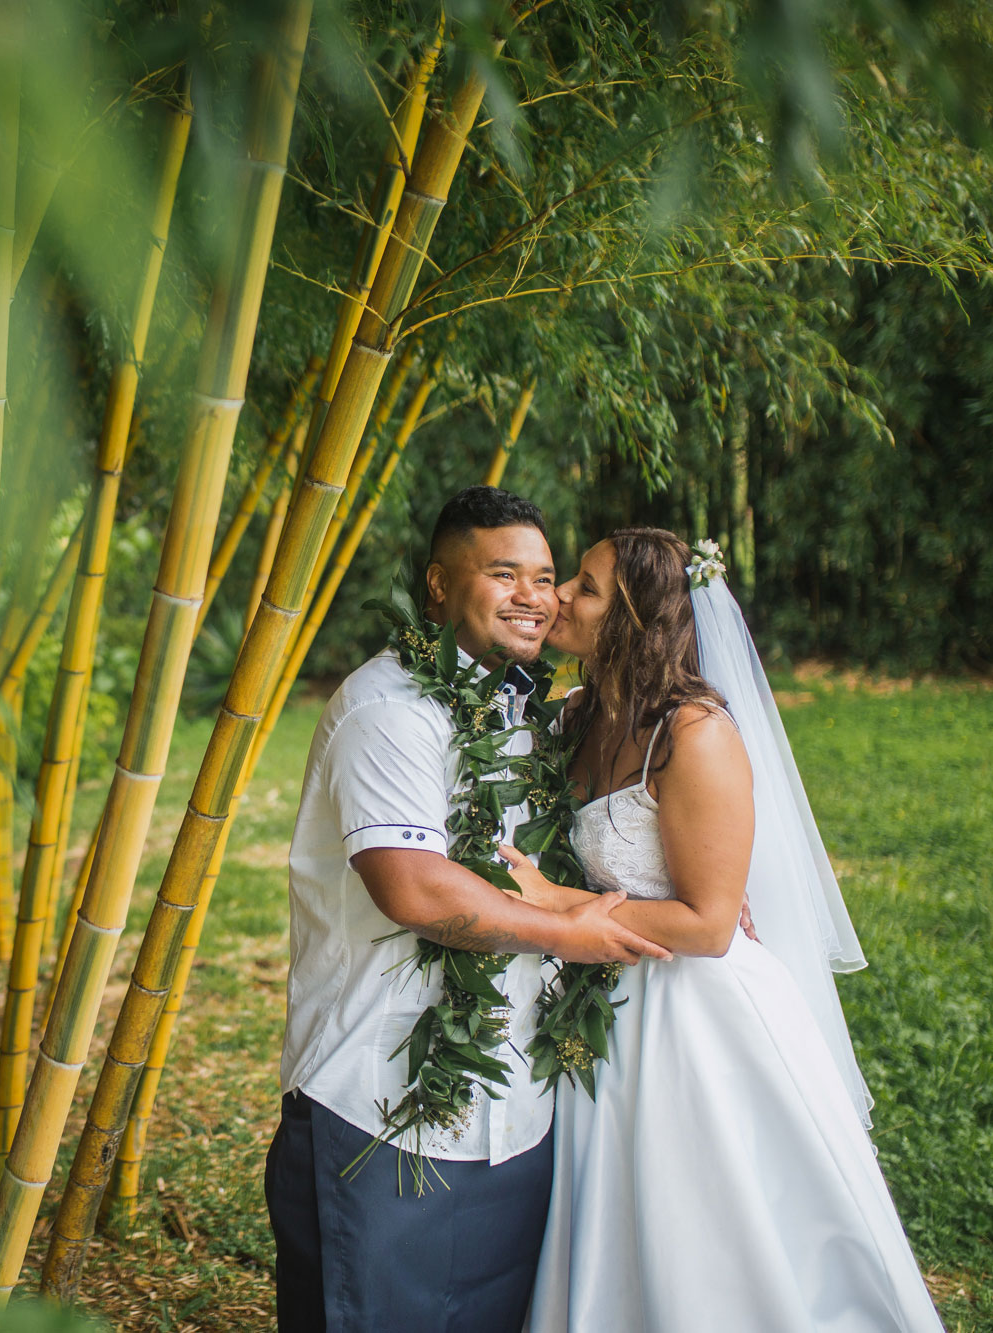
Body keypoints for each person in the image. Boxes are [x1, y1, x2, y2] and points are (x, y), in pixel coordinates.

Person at [504, 527, 944, 1332]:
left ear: (640, 620)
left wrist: (555, 904)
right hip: (602, 1008)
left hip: (691, 1015)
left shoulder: (695, 735)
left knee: (709, 1227)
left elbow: (709, 923)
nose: (560, 592)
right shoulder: (575, 719)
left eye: (588, 586)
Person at [263, 488, 670, 1333]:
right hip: (380, 1108)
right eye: (504, 572)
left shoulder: (520, 710)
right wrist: (574, 934)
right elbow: (413, 885)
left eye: (548, 577)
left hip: (512, 1110)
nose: (535, 593)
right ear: (439, 586)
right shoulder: (391, 711)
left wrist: (692, 894)